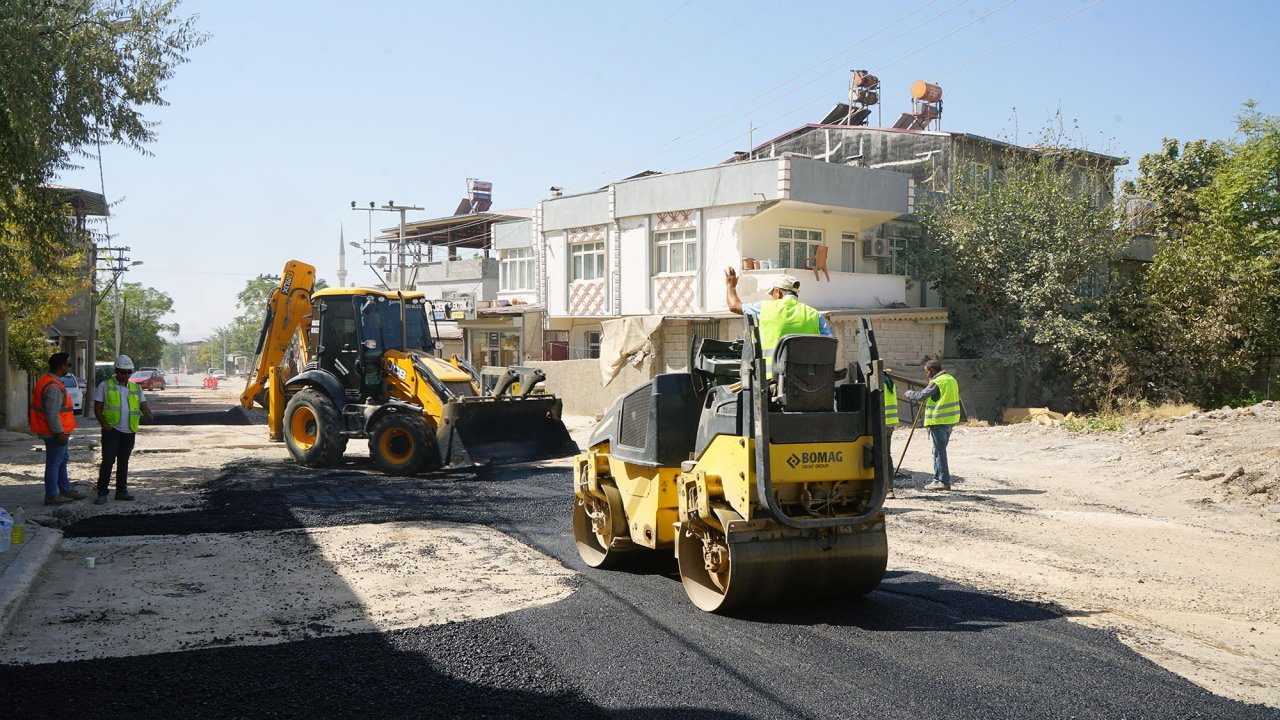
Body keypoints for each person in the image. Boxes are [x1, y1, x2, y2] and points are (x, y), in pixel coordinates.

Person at [724, 267, 833, 378]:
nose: (772, 298)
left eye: (773, 295)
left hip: (770, 380)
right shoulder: (814, 314)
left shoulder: (765, 308)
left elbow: (734, 306)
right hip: (807, 381)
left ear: (778, 292)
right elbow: (831, 343)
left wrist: (730, 286)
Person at [93, 354, 153, 504]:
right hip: (112, 430)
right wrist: (104, 425)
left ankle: (121, 491)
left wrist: (148, 414)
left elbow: (143, 405)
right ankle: (102, 492)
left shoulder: (135, 388)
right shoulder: (105, 386)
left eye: (129, 372)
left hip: (129, 431)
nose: (126, 375)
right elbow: (97, 408)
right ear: (116, 371)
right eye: (123, 372)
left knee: (123, 462)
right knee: (107, 461)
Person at [30, 352, 86, 506]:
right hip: (54, 432)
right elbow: (53, 414)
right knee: (54, 462)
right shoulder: (53, 387)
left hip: (57, 431)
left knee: (61, 460)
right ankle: (52, 495)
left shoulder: (49, 381)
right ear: (61, 366)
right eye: (68, 364)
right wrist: (60, 433)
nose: (69, 367)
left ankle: (65, 489)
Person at [905, 359, 961, 490]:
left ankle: (943, 481)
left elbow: (921, 396)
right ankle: (938, 479)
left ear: (932, 370)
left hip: (939, 420)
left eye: (927, 372)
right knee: (937, 450)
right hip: (950, 420)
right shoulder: (950, 379)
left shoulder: (937, 381)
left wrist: (910, 393)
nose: (926, 375)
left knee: (940, 451)